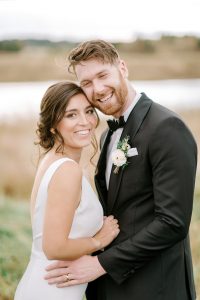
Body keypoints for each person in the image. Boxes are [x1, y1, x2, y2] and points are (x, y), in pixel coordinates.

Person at [44, 41, 197, 300]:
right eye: (87, 83)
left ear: (122, 68)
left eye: (103, 75)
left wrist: (99, 264)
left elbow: (173, 223)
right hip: (111, 288)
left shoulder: (167, 128)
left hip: (156, 288)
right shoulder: (106, 136)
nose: (98, 89)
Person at [14, 81, 120, 300]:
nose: (85, 122)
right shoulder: (66, 170)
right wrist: (99, 241)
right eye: (71, 115)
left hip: (46, 286)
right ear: (53, 124)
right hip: (50, 291)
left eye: (89, 111)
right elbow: (54, 247)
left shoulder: (52, 159)